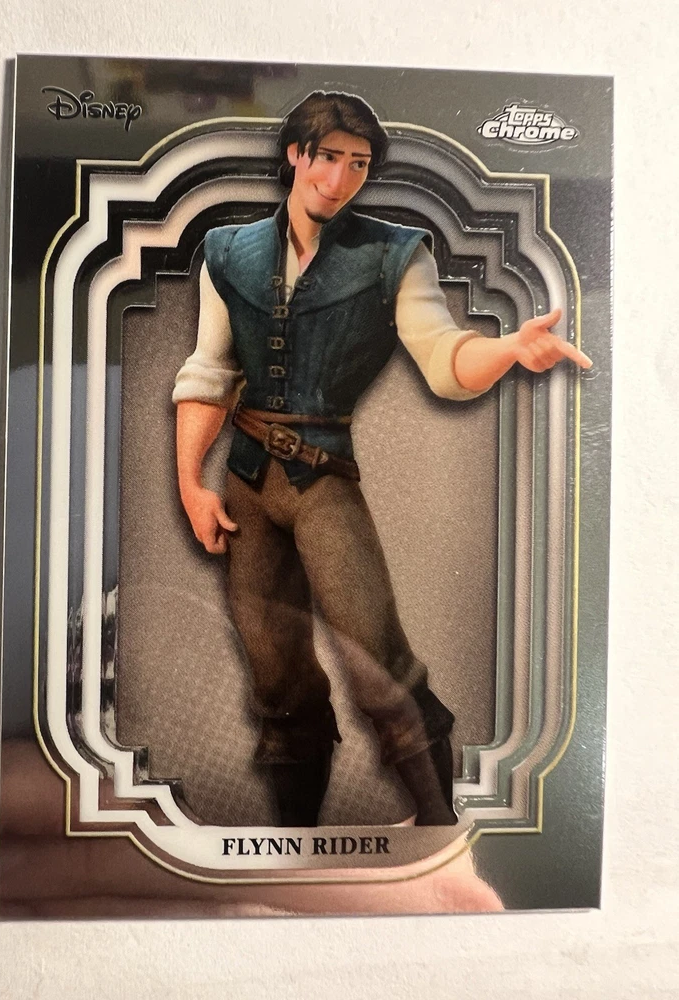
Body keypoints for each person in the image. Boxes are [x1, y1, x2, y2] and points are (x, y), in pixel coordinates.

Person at [173, 91, 590, 828]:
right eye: (328, 157)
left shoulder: (394, 254)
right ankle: (294, 848)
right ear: (296, 154)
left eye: (358, 163)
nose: (340, 179)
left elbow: (444, 359)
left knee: (378, 666)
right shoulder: (227, 253)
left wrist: (506, 350)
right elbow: (209, 372)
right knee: (275, 677)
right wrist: (189, 483)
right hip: (245, 482)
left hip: (321, 477)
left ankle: (438, 830)